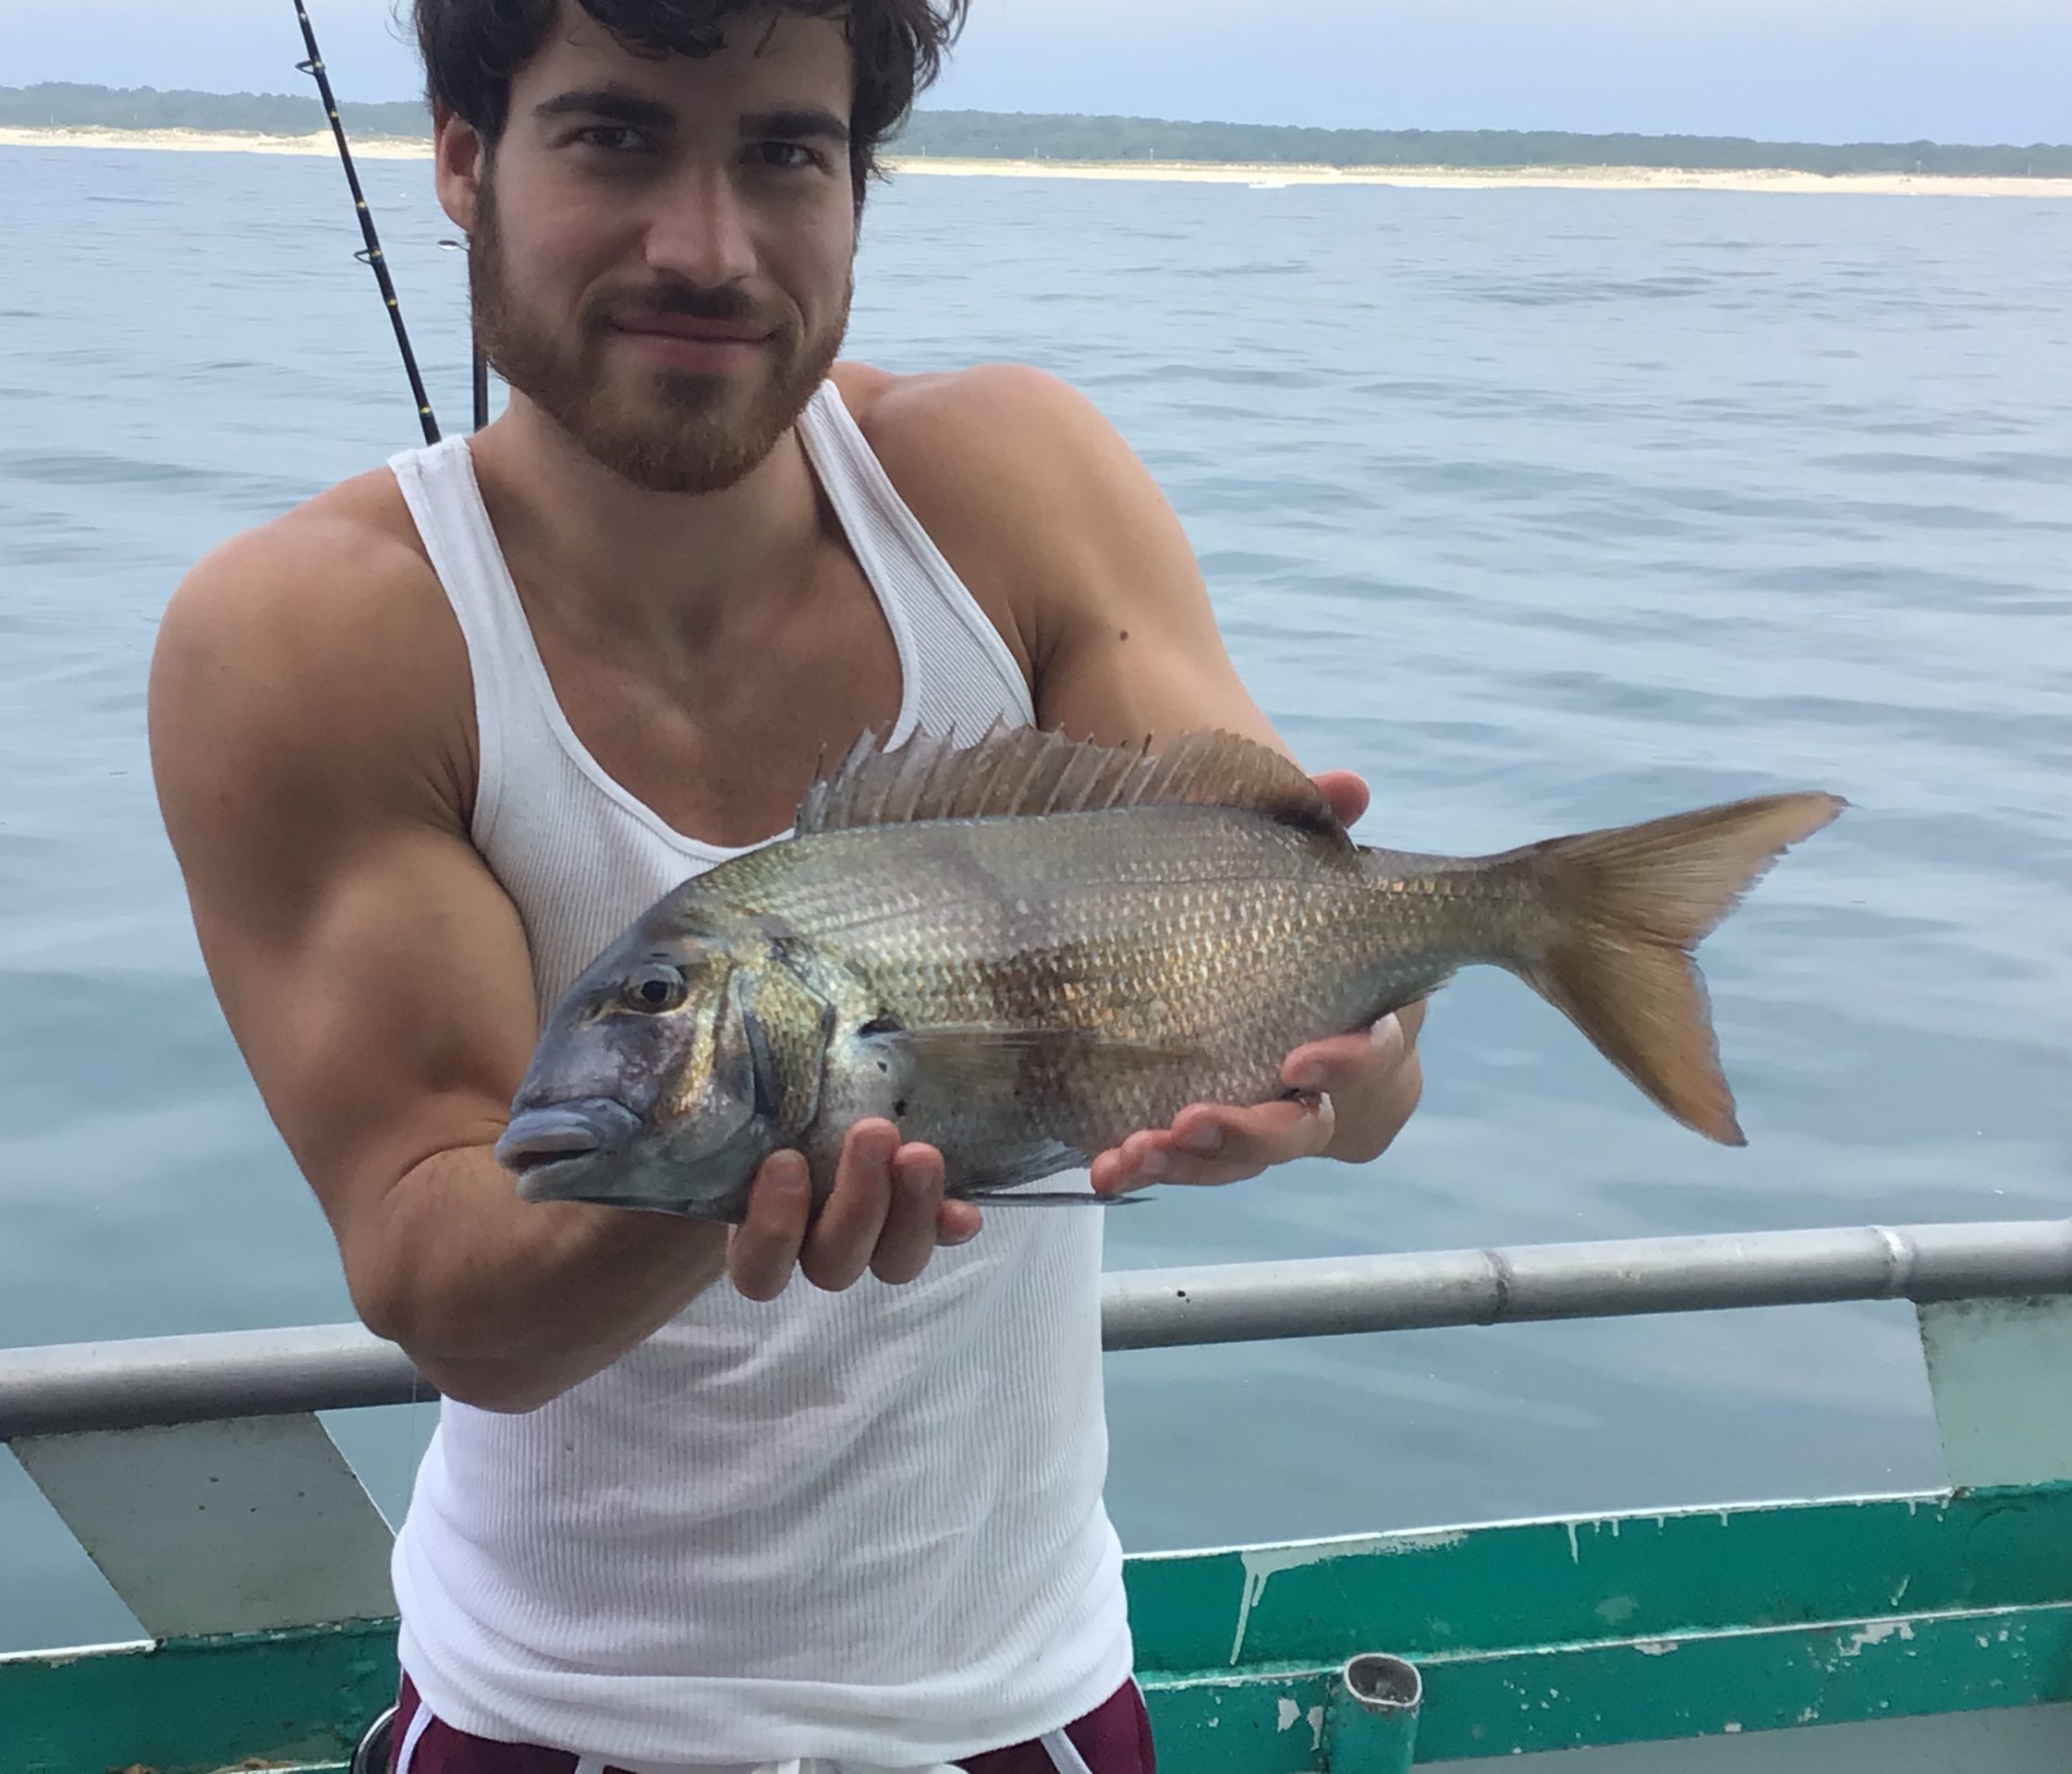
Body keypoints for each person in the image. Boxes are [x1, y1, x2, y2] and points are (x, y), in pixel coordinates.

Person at [147, 2, 1425, 1769]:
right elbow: (444, 1279)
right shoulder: (313, 639)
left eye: (782, 153)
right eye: (613, 138)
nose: (705, 244)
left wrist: (1342, 1086)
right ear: (460, 156)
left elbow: (1332, 999)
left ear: (855, 185)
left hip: (1022, 1698)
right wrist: (750, 1136)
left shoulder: (1014, 490)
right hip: (555, 1714)